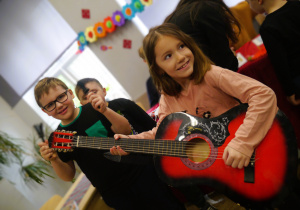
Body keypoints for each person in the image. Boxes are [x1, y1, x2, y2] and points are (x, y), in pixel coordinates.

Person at [111, 23, 279, 209]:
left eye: (181, 46)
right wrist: (131, 142)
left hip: (258, 154)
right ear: (158, 68)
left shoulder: (212, 75)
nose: (181, 57)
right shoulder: (168, 98)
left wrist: (243, 143)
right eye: (168, 56)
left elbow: (263, 95)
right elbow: (162, 134)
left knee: (286, 199)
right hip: (225, 171)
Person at [36, 77, 185, 210]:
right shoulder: (56, 139)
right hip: (114, 193)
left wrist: (106, 110)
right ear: (45, 111)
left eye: (61, 97)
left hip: (140, 173)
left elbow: (125, 131)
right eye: (50, 105)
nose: (59, 105)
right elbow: (69, 175)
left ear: (70, 93)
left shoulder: (95, 107)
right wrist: (54, 159)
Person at [245, 0, 300, 106]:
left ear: (259, 1)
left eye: (248, 2)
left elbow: (280, 63)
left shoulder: (268, 28)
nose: (249, 6)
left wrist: (289, 91)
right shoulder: (297, 4)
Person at [164, 0, 241, 71]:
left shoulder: (173, 19)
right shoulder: (206, 9)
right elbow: (227, 65)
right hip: (210, 79)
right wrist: (232, 56)